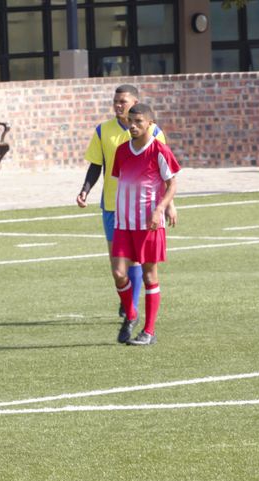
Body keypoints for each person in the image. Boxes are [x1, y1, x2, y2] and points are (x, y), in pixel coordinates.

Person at [77, 84, 173, 317]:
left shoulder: (155, 132)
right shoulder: (103, 131)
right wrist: (85, 190)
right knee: (117, 266)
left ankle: (132, 307)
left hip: (144, 209)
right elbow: (96, 164)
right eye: (116, 101)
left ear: (135, 103)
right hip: (113, 206)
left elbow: (165, 173)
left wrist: (168, 205)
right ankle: (129, 301)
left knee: (138, 262)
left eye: (123, 101)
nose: (118, 105)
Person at [110, 103, 180, 346]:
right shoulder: (121, 151)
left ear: (150, 123)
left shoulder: (159, 150)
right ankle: (131, 314)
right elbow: (122, 182)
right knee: (119, 273)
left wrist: (161, 208)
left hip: (149, 224)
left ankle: (149, 331)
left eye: (139, 122)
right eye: (131, 121)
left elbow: (171, 184)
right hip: (123, 223)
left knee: (150, 276)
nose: (133, 125)